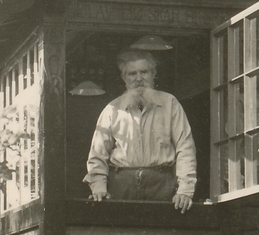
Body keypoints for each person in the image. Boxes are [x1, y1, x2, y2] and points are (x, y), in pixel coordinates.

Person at [84, 48, 196, 212]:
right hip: (122, 186)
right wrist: (99, 187)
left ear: (153, 73)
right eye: (132, 74)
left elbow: (185, 148)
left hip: (162, 185)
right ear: (124, 77)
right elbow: (98, 154)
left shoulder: (170, 104)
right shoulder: (112, 109)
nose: (138, 79)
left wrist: (185, 191)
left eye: (144, 72)